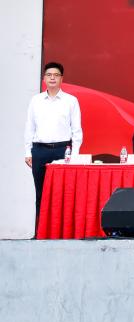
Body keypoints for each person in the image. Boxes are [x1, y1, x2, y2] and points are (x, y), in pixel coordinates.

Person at [24, 61, 83, 225]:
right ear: (44, 78)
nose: (52, 78)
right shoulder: (35, 100)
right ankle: (41, 231)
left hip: (62, 151)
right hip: (40, 150)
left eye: (56, 75)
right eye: (49, 75)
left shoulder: (71, 101)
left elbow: (77, 130)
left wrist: (74, 156)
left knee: (63, 193)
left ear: (61, 79)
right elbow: (29, 127)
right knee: (41, 192)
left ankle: (62, 230)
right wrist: (28, 152)